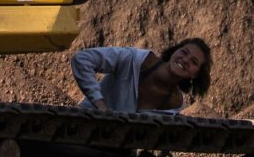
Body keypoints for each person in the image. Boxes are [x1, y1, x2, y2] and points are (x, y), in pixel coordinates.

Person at [70, 37, 212, 114]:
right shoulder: (133, 59)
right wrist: (100, 105)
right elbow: (82, 60)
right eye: (184, 52)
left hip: (119, 156)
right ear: (175, 51)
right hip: (82, 131)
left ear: (195, 75)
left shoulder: (175, 104)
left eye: (194, 62)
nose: (185, 60)